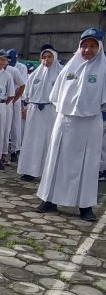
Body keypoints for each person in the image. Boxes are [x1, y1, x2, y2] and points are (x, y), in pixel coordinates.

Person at [37, 28, 106, 222]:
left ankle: (85, 206)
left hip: (89, 123)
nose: (87, 50)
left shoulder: (103, 69)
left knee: (87, 164)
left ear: (99, 48)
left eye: (92, 46)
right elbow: (56, 95)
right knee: (56, 160)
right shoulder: (69, 68)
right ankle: (49, 200)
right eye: (84, 46)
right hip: (65, 121)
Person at [17, 46, 61, 181]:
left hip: (51, 111)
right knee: (32, 141)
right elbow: (27, 94)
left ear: (54, 57)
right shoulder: (35, 74)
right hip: (35, 111)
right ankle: (30, 171)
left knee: (49, 141)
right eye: (44, 57)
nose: (46, 60)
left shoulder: (61, 74)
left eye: (49, 57)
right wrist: (25, 107)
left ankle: (48, 173)